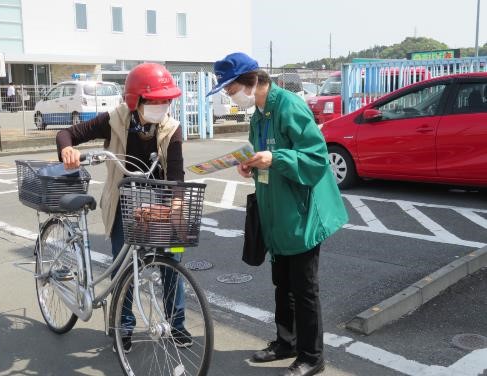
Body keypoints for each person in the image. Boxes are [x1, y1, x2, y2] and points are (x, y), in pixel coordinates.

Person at [207, 53, 348, 376]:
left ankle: (312, 356)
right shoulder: (258, 113)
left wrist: (275, 158)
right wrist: (250, 165)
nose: (231, 98)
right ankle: (286, 342)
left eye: (231, 90)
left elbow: (315, 158)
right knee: (281, 281)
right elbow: (263, 156)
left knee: (304, 287)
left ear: (251, 81)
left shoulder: (288, 106)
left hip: (301, 211)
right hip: (276, 209)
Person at [56, 63, 193, 352]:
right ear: (136, 100)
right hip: (124, 201)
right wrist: (67, 149)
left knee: (172, 263)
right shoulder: (115, 119)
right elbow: (68, 134)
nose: (162, 106)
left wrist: (176, 205)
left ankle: (177, 324)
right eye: (155, 100)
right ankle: (124, 326)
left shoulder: (171, 128)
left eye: (165, 100)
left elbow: (177, 175)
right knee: (124, 265)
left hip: (161, 204)